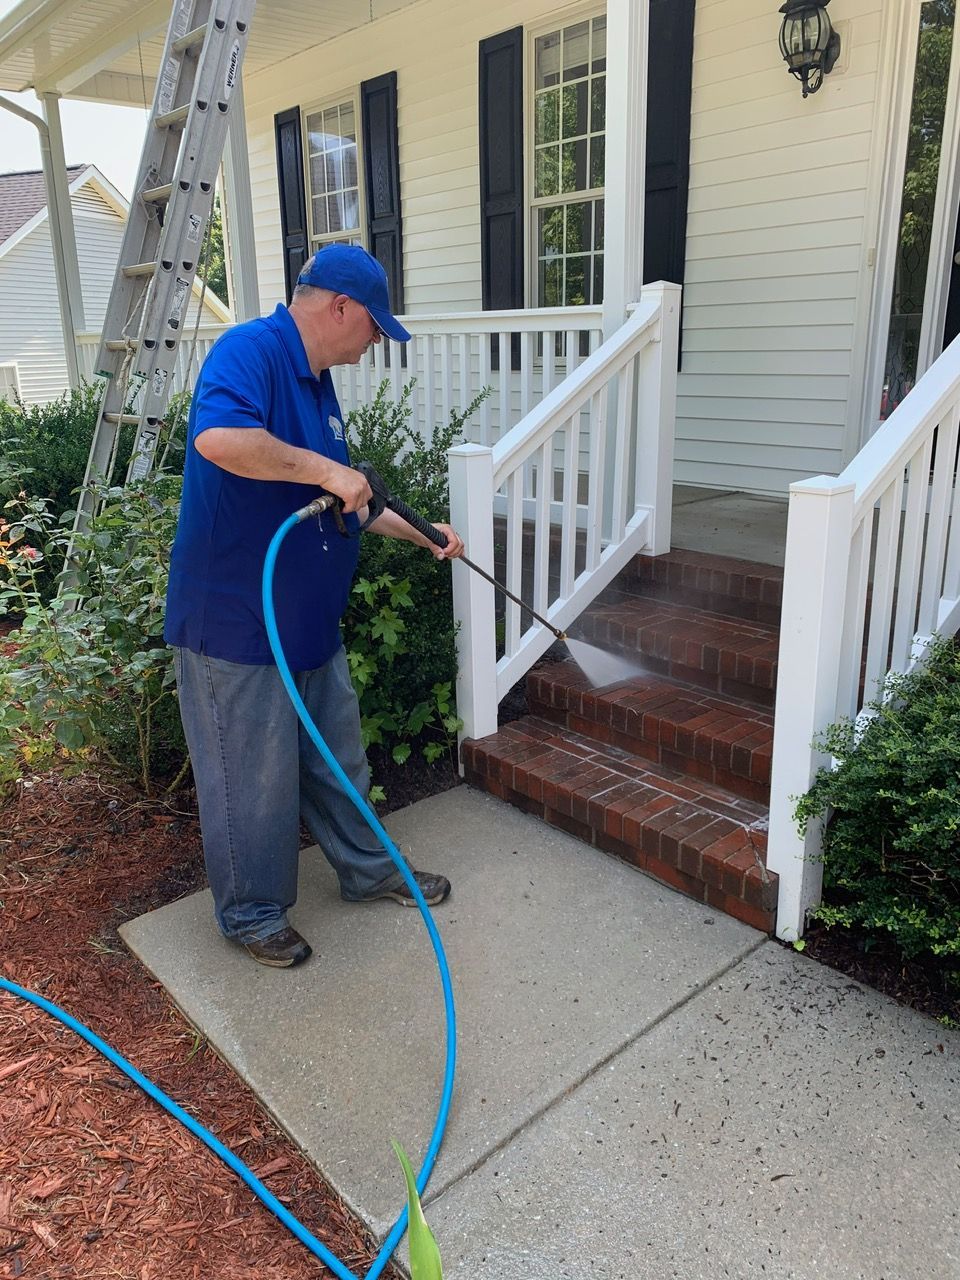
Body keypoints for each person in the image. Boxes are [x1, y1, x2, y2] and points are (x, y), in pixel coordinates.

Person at [164, 244, 464, 969]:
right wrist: (327, 468)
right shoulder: (251, 351)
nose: (374, 345)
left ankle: (367, 871)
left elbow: (344, 501)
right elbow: (219, 438)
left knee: (339, 761)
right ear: (340, 308)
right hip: (237, 627)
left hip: (305, 626)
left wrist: (423, 535)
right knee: (252, 783)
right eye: (373, 328)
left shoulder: (319, 385)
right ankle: (252, 914)